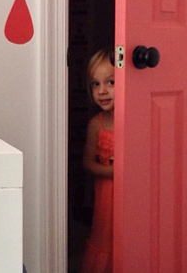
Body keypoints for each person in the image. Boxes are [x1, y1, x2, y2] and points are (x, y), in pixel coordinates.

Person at [81, 48, 115, 273]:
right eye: (96, 84)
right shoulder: (97, 124)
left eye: (110, 82)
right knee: (106, 235)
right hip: (107, 193)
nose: (102, 91)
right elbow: (87, 163)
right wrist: (113, 172)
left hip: (135, 193)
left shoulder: (138, 116)